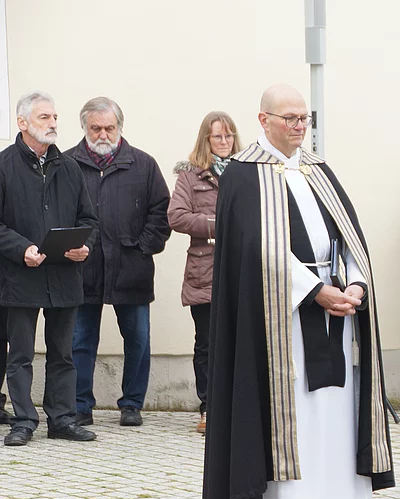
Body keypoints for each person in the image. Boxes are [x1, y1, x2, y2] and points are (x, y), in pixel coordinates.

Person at [202, 84, 395, 499]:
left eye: (303, 117)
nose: (298, 125)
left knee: (329, 420)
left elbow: (347, 236)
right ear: (263, 119)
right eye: (288, 117)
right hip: (274, 325)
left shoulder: (316, 169)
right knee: (272, 413)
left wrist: (354, 284)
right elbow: (255, 251)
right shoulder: (244, 176)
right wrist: (313, 291)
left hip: (334, 316)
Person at [0, 91, 98, 446]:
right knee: (21, 355)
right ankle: (24, 421)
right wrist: (20, 247)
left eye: (55, 117)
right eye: (44, 117)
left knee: (63, 354)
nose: (53, 123)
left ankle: (62, 419)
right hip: (19, 277)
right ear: (22, 123)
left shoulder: (69, 167)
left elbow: (88, 218)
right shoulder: (4, 166)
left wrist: (85, 245)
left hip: (63, 276)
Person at [66, 97, 170, 428]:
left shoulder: (143, 164)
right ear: (84, 127)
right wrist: (67, 248)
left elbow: (161, 211)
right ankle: (80, 405)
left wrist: (143, 248)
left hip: (131, 267)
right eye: (95, 127)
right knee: (79, 340)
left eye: (109, 127)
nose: (102, 133)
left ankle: (132, 404)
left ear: (120, 127)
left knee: (138, 339)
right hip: (82, 268)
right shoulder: (67, 164)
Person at [168, 111, 242, 434]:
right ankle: (209, 408)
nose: (224, 142)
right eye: (217, 137)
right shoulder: (190, 176)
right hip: (204, 270)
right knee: (208, 344)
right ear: (206, 140)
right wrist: (217, 224)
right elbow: (177, 216)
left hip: (241, 267)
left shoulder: (247, 172)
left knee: (241, 341)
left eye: (228, 136)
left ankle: (239, 408)